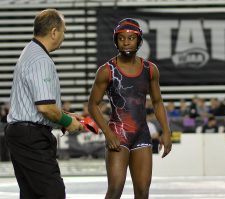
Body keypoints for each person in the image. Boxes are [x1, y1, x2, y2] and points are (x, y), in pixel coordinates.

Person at [88, 18, 172, 199]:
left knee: (142, 192)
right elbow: (92, 105)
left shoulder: (150, 69)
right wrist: (108, 133)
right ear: (116, 41)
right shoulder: (107, 70)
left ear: (139, 41)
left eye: (131, 38)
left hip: (142, 134)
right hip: (118, 134)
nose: (126, 42)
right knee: (115, 188)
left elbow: (157, 102)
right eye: (122, 38)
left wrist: (166, 131)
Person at [4, 9, 84, 199]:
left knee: (32, 194)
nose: (63, 37)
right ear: (54, 32)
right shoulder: (41, 60)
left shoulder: (30, 51)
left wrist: (64, 114)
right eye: (64, 31)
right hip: (31, 137)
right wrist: (67, 121)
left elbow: (38, 103)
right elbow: (45, 108)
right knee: (52, 193)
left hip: (22, 134)